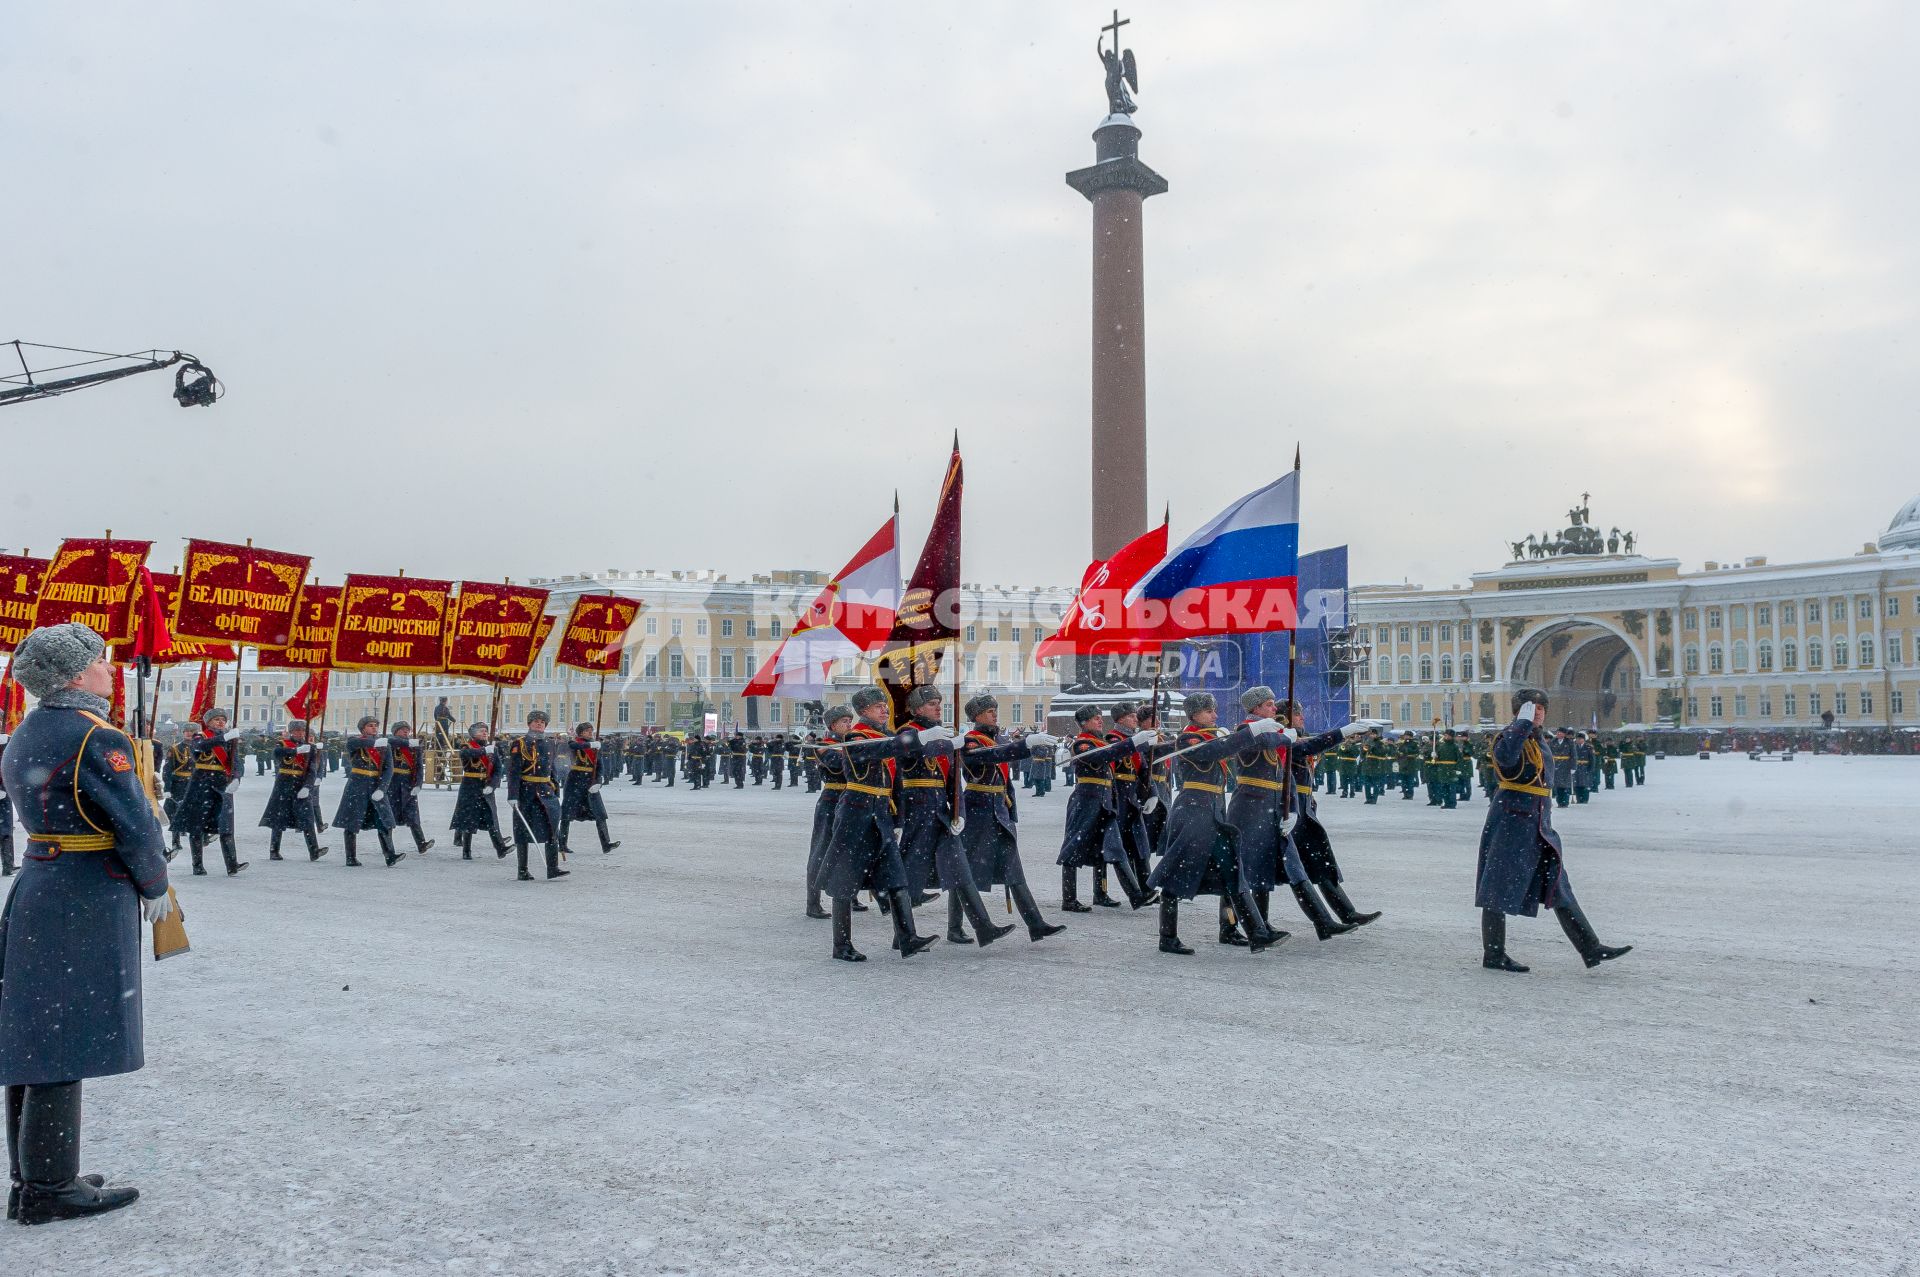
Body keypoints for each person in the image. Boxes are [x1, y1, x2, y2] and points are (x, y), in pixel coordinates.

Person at [1, 623, 169, 1224]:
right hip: (85, 892)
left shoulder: (30, 730)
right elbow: (138, 826)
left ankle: (33, 1175)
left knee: (35, 1034)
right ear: (74, 676)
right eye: (99, 661)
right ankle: (50, 1186)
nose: (108, 668)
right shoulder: (96, 737)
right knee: (63, 1038)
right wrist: (156, 887)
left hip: (41, 885)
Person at [1477, 689, 1633, 973]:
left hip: (1537, 825)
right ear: (1519, 711)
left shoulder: (1539, 739)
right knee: (1497, 887)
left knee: (1558, 884)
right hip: (1512, 821)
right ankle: (1494, 953)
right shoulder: (1509, 737)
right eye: (1530, 708)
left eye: (1540, 708)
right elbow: (1507, 759)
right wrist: (1520, 725)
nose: (1537, 712)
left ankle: (1591, 947)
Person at [1145, 692, 1287, 955]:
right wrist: (1251, 731)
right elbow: (1216, 751)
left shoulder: (1211, 735)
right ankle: (1168, 937)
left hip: (1214, 813)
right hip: (1192, 812)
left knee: (1233, 872)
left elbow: (1226, 748)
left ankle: (1253, 932)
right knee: (1175, 874)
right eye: (1210, 711)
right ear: (1195, 714)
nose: (1215, 715)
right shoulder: (1188, 739)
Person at [814, 686, 938, 962]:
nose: (885, 709)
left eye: (885, 705)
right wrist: (917, 738)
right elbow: (883, 749)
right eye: (878, 706)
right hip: (856, 814)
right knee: (844, 881)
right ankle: (841, 945)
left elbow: (897, 780)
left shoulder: (886, 736)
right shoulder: (856, 736)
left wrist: (897, 818)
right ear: (864, 711)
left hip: (880, 814)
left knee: (896, 877)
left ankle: (907, 938)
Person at [1229, 687, 1356, 943]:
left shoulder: (1276, 734)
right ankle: (1234, 927)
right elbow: (1264, 741)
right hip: (1250, 808)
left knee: (1278, 868)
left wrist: (1292, 809)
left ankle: (1321, 922)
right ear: (1255, 709)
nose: (1274, 709)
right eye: (1268, 705)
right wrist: (1284, 736)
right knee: (1245, 870)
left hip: (1273, 808)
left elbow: (1286, 775)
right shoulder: (1246, 730)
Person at [894, 687, 1015, 949]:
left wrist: (958, 812)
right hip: (917, 810)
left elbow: (952, 782)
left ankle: (984, 928)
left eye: (939, 703)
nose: (938, 708)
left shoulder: (945, 737)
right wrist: (946, 742)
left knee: (961, 871)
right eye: (931, 704)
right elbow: (911, 754)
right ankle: (903, 936)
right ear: (917, 710)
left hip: (941, 813)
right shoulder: (908, 732)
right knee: (910, 875)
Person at [956, 695, 1065, 942]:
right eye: (988, 711)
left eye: (995, 710)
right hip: (978, 810)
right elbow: (993, 755)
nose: (994, 714)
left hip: (998, 811)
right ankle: (955, 927)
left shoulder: (997, 739)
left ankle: (1035, 924)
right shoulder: (970, 741)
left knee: (1013, 869)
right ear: (975, 717)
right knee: (965, 870)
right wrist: (1025, 744)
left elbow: (1004, 774)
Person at [1275, 699, 1381, 929]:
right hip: (1289, 809)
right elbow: (1311, 746)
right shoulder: (1284, 740)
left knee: (1319, 864)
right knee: (1291, 871)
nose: (1302, 717)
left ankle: (1347, 913)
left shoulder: (1297, 737)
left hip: (1304, 808)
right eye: (1296, 713)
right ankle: (1243, 923)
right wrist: (1343, 732)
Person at [1054, 705, 1158, 912]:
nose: (1100, 721)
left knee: (1116, 849)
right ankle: (1069, 898)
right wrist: (1133, 743)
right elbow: (1102, 756)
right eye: (1095, 719)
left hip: (1105, 802)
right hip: (1086, 799)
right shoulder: (1081, 743)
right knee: (1073, 848)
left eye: (1100, 718)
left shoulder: (1102, 743)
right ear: (1084, 724)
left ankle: (1136, 896)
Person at [176, 708, 246, 877]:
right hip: (202, 784)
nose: (221, 722)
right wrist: (224, 738)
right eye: (216, 720)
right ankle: (197, 865)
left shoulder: (230, 740)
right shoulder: (201, 736)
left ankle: (232, 864)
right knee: (197, 826)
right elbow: (199, 747)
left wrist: (237, 778)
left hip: (223, 785)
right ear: (208, 723)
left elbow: (236, 762)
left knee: (226, 826)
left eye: (223, 720)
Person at [332, 717, 403, 867]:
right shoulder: (356, 741)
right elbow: (352, 744)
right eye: (370, 726)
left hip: (376, 786)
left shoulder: (384, 746)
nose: (374, 728)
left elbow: (388, 769)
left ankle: (390, 855)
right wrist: (375, 743)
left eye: (376, 725)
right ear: (363, 729)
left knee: (385, 821)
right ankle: (350, 857)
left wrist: (382, 788)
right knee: (351, 822)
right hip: (357, 785)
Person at [508, 711, 567, 881]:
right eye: (536, 722)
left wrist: (556, 793)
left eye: (542, 722)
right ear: (529, 724)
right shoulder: (519, 743)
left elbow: (552, 770)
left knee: (552, 827)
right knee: (522, 831)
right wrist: (512, 795)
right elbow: (513, 772)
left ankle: (553, 868)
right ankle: (522, 870)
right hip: (526, 792)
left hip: (546, 792)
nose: (539, 724)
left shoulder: (550, 743)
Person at [259, 720, 329, 861]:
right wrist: (295, 751)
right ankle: (274, 850)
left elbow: (312, 770)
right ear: (291, 732)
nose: (299, 733)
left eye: (302, 731)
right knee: (279, 819)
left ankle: (314, 850)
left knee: (308, 819)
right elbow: (277, 753)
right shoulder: (283, 744)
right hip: (284, 783)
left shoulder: (311, 747)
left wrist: (308, 787)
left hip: (301, 784)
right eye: (296, 730)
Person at [450, 723, 510, 859]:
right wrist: (484, 751)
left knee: (491, 818)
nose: (485, 733)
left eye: (486, 731)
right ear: (473, 734)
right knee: (468, 819)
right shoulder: (467, 746)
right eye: (481, 731)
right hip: (470, 786)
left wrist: (493, 785)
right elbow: (466, 754)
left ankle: (500, 848)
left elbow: (498, 769)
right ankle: (466, 851)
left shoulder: (491, 749)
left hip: (486, 787)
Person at [560, 722, 619, 854]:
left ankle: (606, 844)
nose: (590, 733)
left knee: (600, 813)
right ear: (580, 733)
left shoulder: (595, 747)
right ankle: (562, 844)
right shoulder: (575, 743)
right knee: (566, 814)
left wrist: (598, 782)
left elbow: (600, 767)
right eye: (587, 731)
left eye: (591, 730)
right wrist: (590, 744)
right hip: (574, 781)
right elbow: (574, 746)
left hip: (590, 783)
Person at [385, 721, 435, 854]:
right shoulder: (391, 743)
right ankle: (388, 846)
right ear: (395, 732)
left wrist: (418, 784)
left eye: (407, 730)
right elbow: (391, 741)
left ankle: (421, 843)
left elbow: (418, 767)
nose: (406, 732)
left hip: (408, 784)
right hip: (392, 783)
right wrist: (410, 743)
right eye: (402, 730)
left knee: (413, 816)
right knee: (389, 817)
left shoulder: (414, 747)